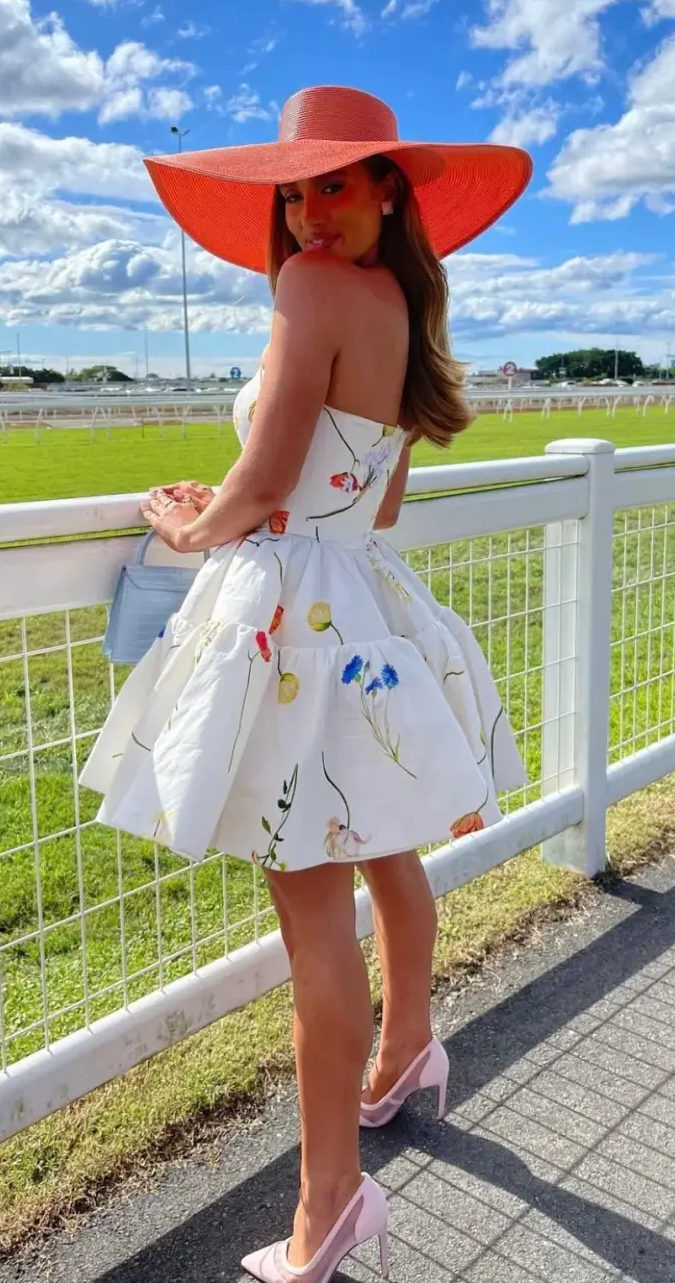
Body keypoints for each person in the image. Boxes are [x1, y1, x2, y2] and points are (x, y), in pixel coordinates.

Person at [79, 84, 531, 1282]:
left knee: (315, 925)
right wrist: (260, 502)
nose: (310, 209)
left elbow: (270, 467)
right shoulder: (397, 306)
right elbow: (369, 499)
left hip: (295, 618)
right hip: (365, 607)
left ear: (388, 185)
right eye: (296, 190)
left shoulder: (310, 287)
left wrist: (192, 527)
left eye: (334, 181)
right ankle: (411, 1053)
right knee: (387, 853)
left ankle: (328, 1207)